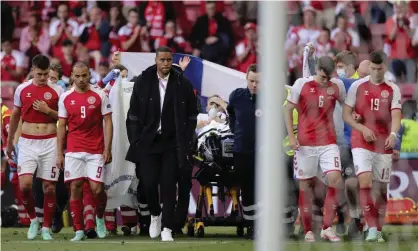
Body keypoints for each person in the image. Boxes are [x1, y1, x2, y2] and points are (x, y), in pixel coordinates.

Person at [125, 46, 198, 241]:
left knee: (168, 186)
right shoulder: (143, 81)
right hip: (149, 142)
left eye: (168, 60)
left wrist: (186, 135)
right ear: (155, 60)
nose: (165, 63)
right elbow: (133, 114)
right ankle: (155, 214)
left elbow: (192, 113)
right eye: (162, 60)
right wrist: (136, 140)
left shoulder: (182, 83)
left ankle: (167, 227)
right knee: (148, 184)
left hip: (172, 143)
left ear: (172, 60)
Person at [285, 56, 346, 242]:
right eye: (322, 76)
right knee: (306, 185)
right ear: (317, 69)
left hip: (328, 142)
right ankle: (308, 230)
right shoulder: (301, 84)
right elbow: (287, 109)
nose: (326, 80)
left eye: (329, 77)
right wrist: (292, 137)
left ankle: (327, 228)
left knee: (335, 179)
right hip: (305, 144)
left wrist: (356, 115)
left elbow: (347, 106)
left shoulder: (337, 86)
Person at [343, 50, 402, 242]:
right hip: (361, 141)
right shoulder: (357, 86)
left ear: (385, 66)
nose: (376, 72)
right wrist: (361, 127)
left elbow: (395, 115)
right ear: (370, 67)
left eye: (380, 68)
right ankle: (371, 229)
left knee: (381, 189)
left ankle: (377, 226)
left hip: (383, 143)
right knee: (365, 182)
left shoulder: (393, 88)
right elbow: (346, 115)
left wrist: (393, 135)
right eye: (373, 68)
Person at [6, 55, 64, 240]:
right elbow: (15, 116)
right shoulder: (22, 89)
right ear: (32, 70)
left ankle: (46, 228)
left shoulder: (58, 90)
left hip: (50, 142)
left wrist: (48, 111)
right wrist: (9, 143)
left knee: (49, 188)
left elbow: (65, 119)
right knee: (24, 186)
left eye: (46, 74)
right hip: (27, 142)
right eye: (39, 74)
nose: (43, 78)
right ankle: (33, 220)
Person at [57, 62, 113, 241]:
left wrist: (108, 148)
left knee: (97, 189)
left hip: (95, 149)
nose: (81, 80)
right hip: (74, 149)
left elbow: (108, 122)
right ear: (72, 76)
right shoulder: (65, 97)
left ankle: (99, 217)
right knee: (75, 188)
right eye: (77, 76)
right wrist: (60, 153)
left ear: (89, 75)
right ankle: (79, 230)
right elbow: (62, 126)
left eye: (84, 76)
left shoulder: (100, 94)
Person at [226, 64, 259, 239]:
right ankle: (251, 225)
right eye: (252, 81)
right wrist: (235, 130)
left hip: (263, 152)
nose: (254, 85)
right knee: (246, 189)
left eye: (258, 82)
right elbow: (230, 113)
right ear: (246, 79)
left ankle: (262, 224)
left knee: (261, 188)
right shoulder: (237, 96)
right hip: (242, 150)